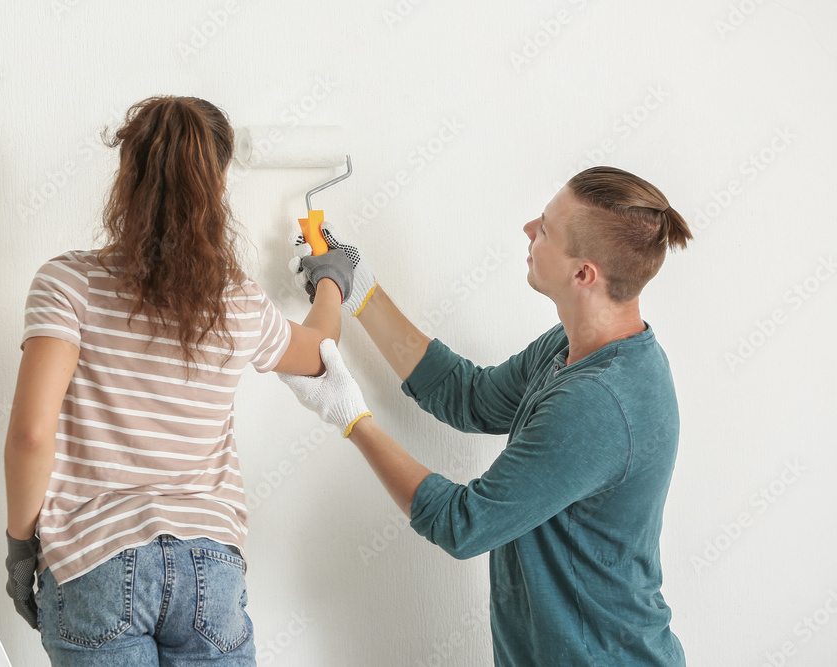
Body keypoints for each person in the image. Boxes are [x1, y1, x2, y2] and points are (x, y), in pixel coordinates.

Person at [281, 166, 692, 665]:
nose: (527, 230)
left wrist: (350, 417)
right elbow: (470, 396)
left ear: (584, 273)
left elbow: (464, 524)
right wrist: (361, 288)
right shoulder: (574, 346)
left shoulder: (600, 402)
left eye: (544, 228)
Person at [3, 95, 353, 665]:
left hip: (95, 562)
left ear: (126, 179)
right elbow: (320, 352)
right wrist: (332, 277)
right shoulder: (236, 301)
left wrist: (21, 549)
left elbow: (30, 437)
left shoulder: (67, 284)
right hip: (208, 567)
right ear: (215, 188)